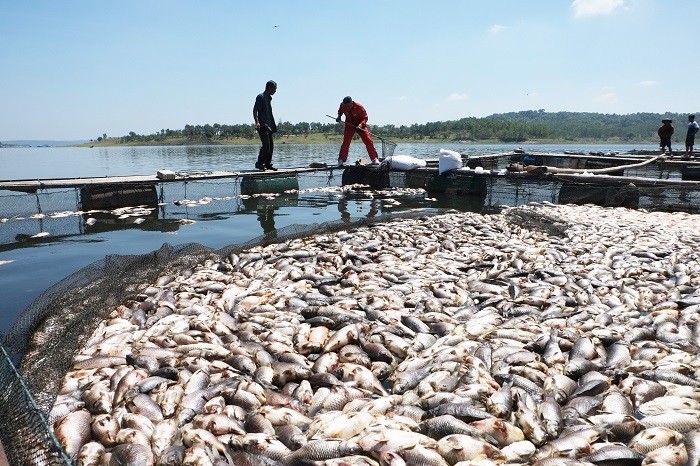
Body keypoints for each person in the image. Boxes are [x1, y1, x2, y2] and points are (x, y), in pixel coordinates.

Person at [336, 96, 379, 166]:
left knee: (368, 140)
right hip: (349, 124)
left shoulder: (359, 107)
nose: (347, 108)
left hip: (360, 125)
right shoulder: (342, 105)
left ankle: (374, 159)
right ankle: (341, 160)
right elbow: (340, 111)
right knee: (346, 141)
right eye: (345, 106)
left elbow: (365, 117)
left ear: (352, 103)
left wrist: (361, 125)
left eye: (348, 106)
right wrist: (339, 116)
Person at [253, 80, 278, 171]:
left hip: (269, 125)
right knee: (266, 145)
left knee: (271, 145)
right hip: (262, 124)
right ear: (270, 88)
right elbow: (255, 110)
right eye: (274, 89)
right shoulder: (261, 97)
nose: (275, 91)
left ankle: (267, 164)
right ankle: (259, 163)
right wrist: (257, 122)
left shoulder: (268, 98)